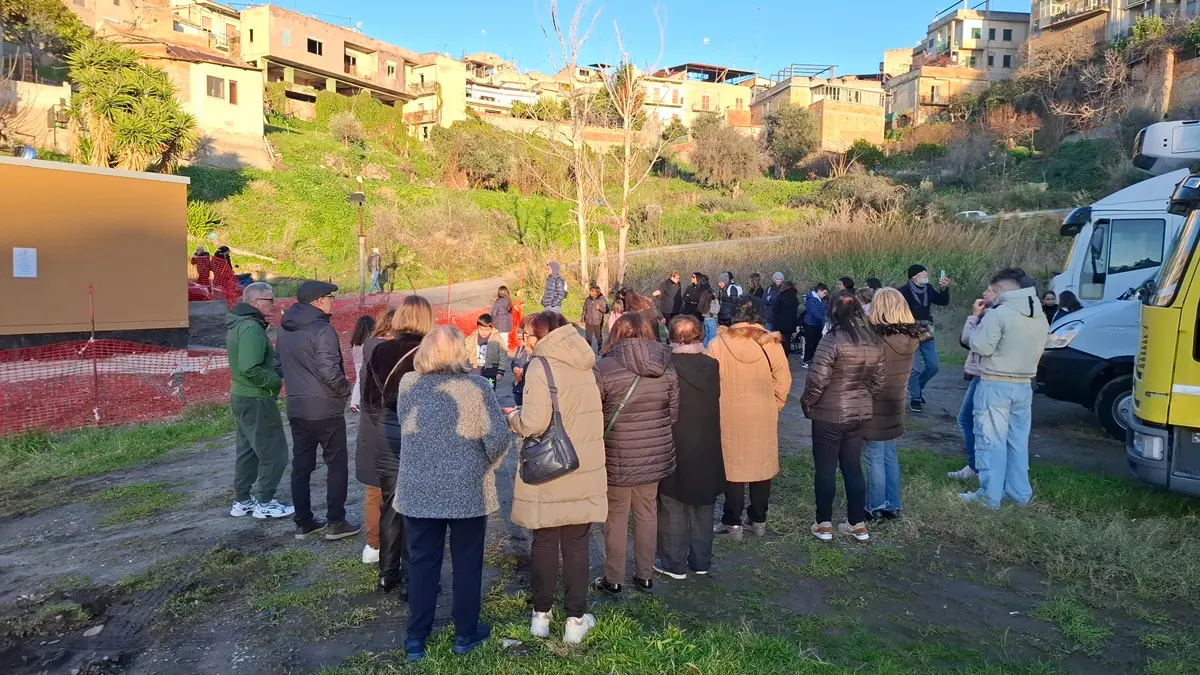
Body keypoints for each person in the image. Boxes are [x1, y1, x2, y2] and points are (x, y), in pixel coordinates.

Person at [395, 326, 510, 662]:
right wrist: (491, 463)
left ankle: (416, 637)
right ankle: (465, 633)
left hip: (419, 490)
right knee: (467, 563)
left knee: (422, 563)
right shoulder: (476, 387)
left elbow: (407, 424)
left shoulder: (408, 384)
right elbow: (497, 438)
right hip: (466, 489)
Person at [506, 311, 607, 646]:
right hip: (582, 464)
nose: (525, 342)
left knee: (545, 543)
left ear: (542, 335)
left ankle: (541, 617)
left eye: (528, 336)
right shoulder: (585, 361)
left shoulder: (541, 364)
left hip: (549, 467)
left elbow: (534, 421)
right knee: (577, 545)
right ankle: (576, 620)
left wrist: (513, 419)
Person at [592, 313, 679, 595]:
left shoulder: (603, 368)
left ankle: (613, 578)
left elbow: (595, 415)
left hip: (616, 453)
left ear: (616, 334)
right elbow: (673, 415)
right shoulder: (667, 367)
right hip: (654, 453)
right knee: (647, 512)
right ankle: (644, 575)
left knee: (616, 515)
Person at [275, 280, 359, 541]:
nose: (333, 301)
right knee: (336, 465)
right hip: (324, 408)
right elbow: (329, 370)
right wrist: (347, 390)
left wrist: (299, 382)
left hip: (298, 406)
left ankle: (304, 522)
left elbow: (278, 365)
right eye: (330, 297)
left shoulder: (285, 328)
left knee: (301, 466)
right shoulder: (322, 329)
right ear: (318, 301)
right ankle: (336, 522)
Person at [362, 297, 434, 594]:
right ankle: (410, 578)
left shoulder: (380, 349)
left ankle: (386, 573)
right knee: (417, 507)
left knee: (390, 504)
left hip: (386, 430)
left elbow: (369, 398)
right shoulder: (430, 351)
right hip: (419, 432)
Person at [801, 292, 885, 542]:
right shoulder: (873, 341)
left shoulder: (832, 340)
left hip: (830, 414)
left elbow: (817, 379)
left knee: (826, 469)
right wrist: (861, 396)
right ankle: (857, 524)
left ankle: (824, 523)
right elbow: (879, 382)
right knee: (852, 467)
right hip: (859, 414)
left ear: (833, 312)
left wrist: (807, 403)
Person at [963, 268, 1048, 508]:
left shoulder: (999, 314)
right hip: (1024, 384)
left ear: (1001, 288)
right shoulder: (1039, 314)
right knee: (1017, 442)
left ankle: (989, 496)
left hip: (996, 382)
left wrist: (974, 331)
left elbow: (981, 346)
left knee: (991, 440)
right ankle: (1019, 493)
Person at [707, 302, 791, 540]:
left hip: (728, 411)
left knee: (733, 466)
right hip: (763, 411)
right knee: (761, 464)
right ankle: (758, 519)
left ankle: (732, 523)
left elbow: (708, 379)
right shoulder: (771, 343)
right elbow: (783, 380)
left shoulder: (717, 344)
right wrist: (775, 405)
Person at [656, 316, 723, 579]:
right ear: (699, 337)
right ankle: (701, 561)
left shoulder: (666, 367)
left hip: (674, 443)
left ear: (671, 337)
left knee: (672, 503)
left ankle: (673, 563)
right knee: (703, 505)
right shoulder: (712, 366)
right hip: (707, 445)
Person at [227, 282, 294, 521]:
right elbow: (249, 367)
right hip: (256, 398)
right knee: (274, 452)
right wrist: (274, 381)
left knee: (248, 451)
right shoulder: (252, 328)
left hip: (243, 396)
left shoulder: (239, 324)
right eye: (270, 300)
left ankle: (243, 499)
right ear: (255, 302)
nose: (274, 305)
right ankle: (265, 502)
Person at [863, 288, 923, 520]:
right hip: (896, 402)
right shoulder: (910, 338)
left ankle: (875, 505)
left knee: (874, 455)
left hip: (875, 402)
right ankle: (892, 503)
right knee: (889, 453)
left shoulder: (876, 339)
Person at [355, 308, 394, 566]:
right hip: (389, 429)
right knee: (389, 492)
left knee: (374, 490)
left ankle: (373, 545)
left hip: (370, 428)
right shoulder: (390, 354)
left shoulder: (368, 350)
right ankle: (385, 545)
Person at [949, 285, 996, 482]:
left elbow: (968, 340)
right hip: (987, 373)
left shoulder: (994, 315)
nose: (984, 293)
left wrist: (974, 315)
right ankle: (979, 466)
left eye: (989, 290)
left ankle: (975, 467)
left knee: (967, 419)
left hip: (984, 374)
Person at [898, 264, 951, 412]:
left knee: (933, 365)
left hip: (927, 331)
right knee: (914, 368)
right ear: (914, 276)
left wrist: (944, 288)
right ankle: (915, 398)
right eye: (922, 273)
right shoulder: (903, 291)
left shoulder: (928, 289)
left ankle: (917, 388)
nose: (926, 275)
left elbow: (942, 301)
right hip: (909, 332)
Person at [465, 314, 505, 388]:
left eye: (487, 330)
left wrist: (501, 372)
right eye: (481, 329)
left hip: (491, 373)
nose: (483, 332)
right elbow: (465, 353)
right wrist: (466, 367)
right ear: (477, 327)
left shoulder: (497, 339)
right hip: (475, 372)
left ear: (491, 328)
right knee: (476, 392)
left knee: (490, 392)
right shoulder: (471, 338)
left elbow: (503, 356)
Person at [349, 315, 376, 414]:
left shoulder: (356, 342)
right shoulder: (370, 341)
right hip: (366, 362)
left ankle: (354, 402)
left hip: (358, 362)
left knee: (358, 381)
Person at [510, 315, 535, 406]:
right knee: (518, 404)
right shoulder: (520, 349)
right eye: (523, 335)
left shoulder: (535, 352)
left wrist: (524, 370)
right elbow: (514, 361)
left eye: (527, 336)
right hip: (518, 386)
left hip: (529, 387)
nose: (524, 339)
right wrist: (515, 367)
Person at [802, 283, 829, 367]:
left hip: (817, 324)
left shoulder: (819, 299)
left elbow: (822, 310)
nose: (825, 295)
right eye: (824, 293)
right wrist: (824, 318)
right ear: (819, 291)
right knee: (810, 343)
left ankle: (812, 360)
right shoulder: (812, 299)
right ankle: (806, 360)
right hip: (810, 324)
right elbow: (815, 312)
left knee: (816, 343)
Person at [773, 281, 801, 355]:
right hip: (790, 323)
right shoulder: (795, 298)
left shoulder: (781, 296)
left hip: (780, 323)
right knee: (787, 341)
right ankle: (785, 356)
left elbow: (775, 309)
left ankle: (778, 356)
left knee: (779, 341)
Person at [581, 285, 609, 352]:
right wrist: (582, 319)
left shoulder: (602, 300)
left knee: (598, 337)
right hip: (588, 321)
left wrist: (600, 308)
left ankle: (600, 349)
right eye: (590, 290)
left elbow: (606, 310)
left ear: (597, 292)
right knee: (588, 337)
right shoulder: (587, 299)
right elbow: (584, 309)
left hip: (598, 322)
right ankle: (588, 350)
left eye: (592, 291)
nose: (591, 292)